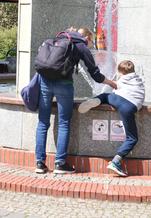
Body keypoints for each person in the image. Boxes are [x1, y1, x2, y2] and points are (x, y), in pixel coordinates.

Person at [34, 27, 116, 175]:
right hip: (63, 85)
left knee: (43, 122)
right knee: (64, 122)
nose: (91, 46)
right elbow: (95, 73)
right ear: (87, 38)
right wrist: (111, 83)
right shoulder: (81, 45)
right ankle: (60, 163)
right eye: (91, 42)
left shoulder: (60, 37)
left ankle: (40, 163)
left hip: (45, 82)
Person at [78, 60, 145, 177]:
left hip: (117, 99)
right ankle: (116, 161)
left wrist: (108, 82)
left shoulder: (121, 80)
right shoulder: (138, 80)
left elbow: (115, 85)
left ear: (120, 72)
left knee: (105, 96)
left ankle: (96, 100)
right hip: (129, 107)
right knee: (132, 138)